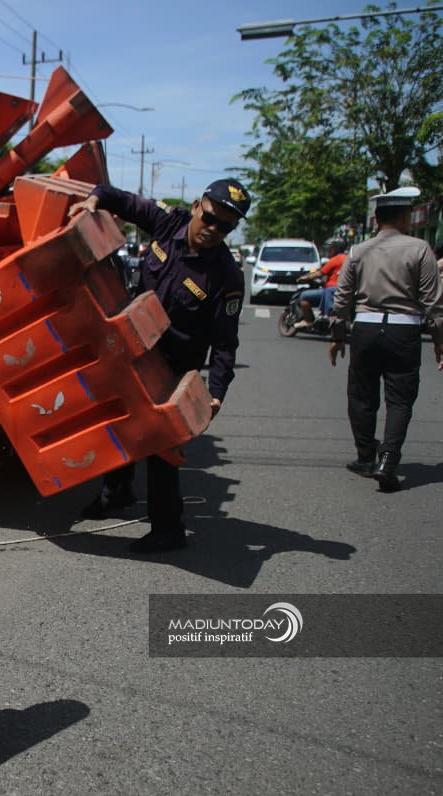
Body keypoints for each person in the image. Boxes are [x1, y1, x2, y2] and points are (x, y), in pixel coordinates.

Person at [68, 178, 249, 552]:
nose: (213, 229)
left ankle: (169, 529)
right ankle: (115, 492)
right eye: (210, 218)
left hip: (171, 367)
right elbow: (118, 197)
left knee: (160, 447)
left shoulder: (225, 276)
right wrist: (93, 202)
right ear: (197, 206)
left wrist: (216, 393)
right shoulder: (168, 222)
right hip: (131, 349)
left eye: (225, 227)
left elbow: (225, 343)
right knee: (118, 420)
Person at [329, 187, 443, 493]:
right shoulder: (420, 249)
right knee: (400, 400)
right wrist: (440, 337)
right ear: (405, 217)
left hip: (365, 329)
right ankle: (387, 461)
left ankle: (365, 456)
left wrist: (338, 334)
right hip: (403, 331)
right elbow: (433, 300)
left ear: (376, 219)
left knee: (361, 395)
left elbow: (342, 297)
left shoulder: (358, 251)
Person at [292, 238, 348, 330]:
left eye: (330, 248)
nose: (329, 251)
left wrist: (305, 277)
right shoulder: (348, 259)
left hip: (332, 291)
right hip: (345, 292)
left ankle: (308, 320)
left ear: (335, 249)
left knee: (304, 296)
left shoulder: (335, 260)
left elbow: (320, 273)